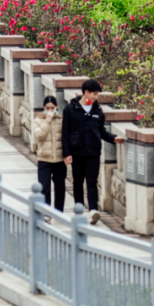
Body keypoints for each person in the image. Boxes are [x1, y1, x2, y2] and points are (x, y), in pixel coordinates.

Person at [61, 78, 115, 222]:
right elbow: (65, 133)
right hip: (76, 151)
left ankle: (93, 210)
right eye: (94, 94)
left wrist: (113, 138)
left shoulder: (97, 110)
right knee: (78, 181)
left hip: (93, 152)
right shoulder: (70, 109)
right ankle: (79, 209)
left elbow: (101, 131)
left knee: (92, 181)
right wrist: (67, 153)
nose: (96, 97)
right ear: (86, 93)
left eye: (97, 95)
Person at [31, 95, 65, 212]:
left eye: (52, 108)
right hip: (44, 159)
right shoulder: (38, 120)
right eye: (47, 108)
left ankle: (58, 213)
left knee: (60, 188)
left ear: (56, 107)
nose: (50, 110)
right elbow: (39, 135)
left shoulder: (61, 120)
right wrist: (47, 120)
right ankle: (46, 212)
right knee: (44, 187)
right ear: (44, 108)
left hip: (59, 159)